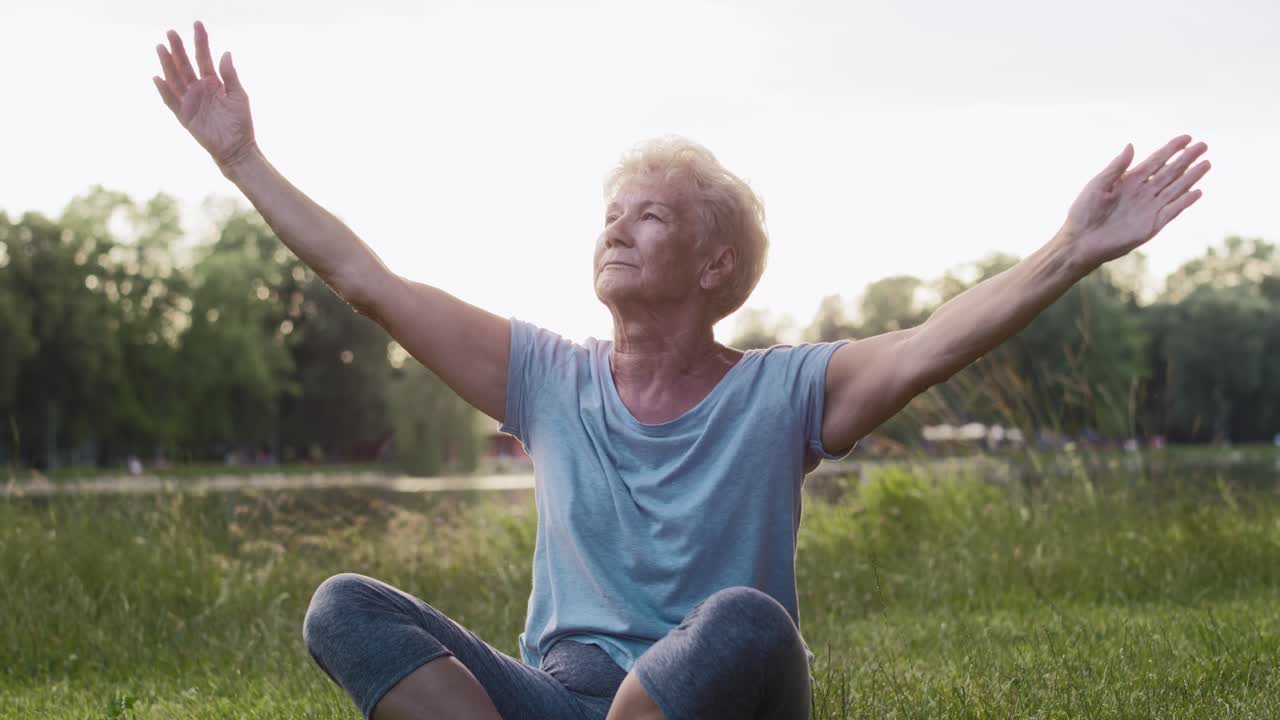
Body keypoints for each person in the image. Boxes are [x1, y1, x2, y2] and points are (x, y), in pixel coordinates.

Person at [152, 21, 1210, 720]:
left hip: (721, 695)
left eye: (647, 215)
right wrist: (241, 159)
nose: (615, 227)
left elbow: (935, 337)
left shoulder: (784, 392)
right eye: (610, 214)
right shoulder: (542, 378)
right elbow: (364, 278)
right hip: (565, 697)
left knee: (743, 618)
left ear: (714, 266)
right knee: (345, 606)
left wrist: (1070, 250)